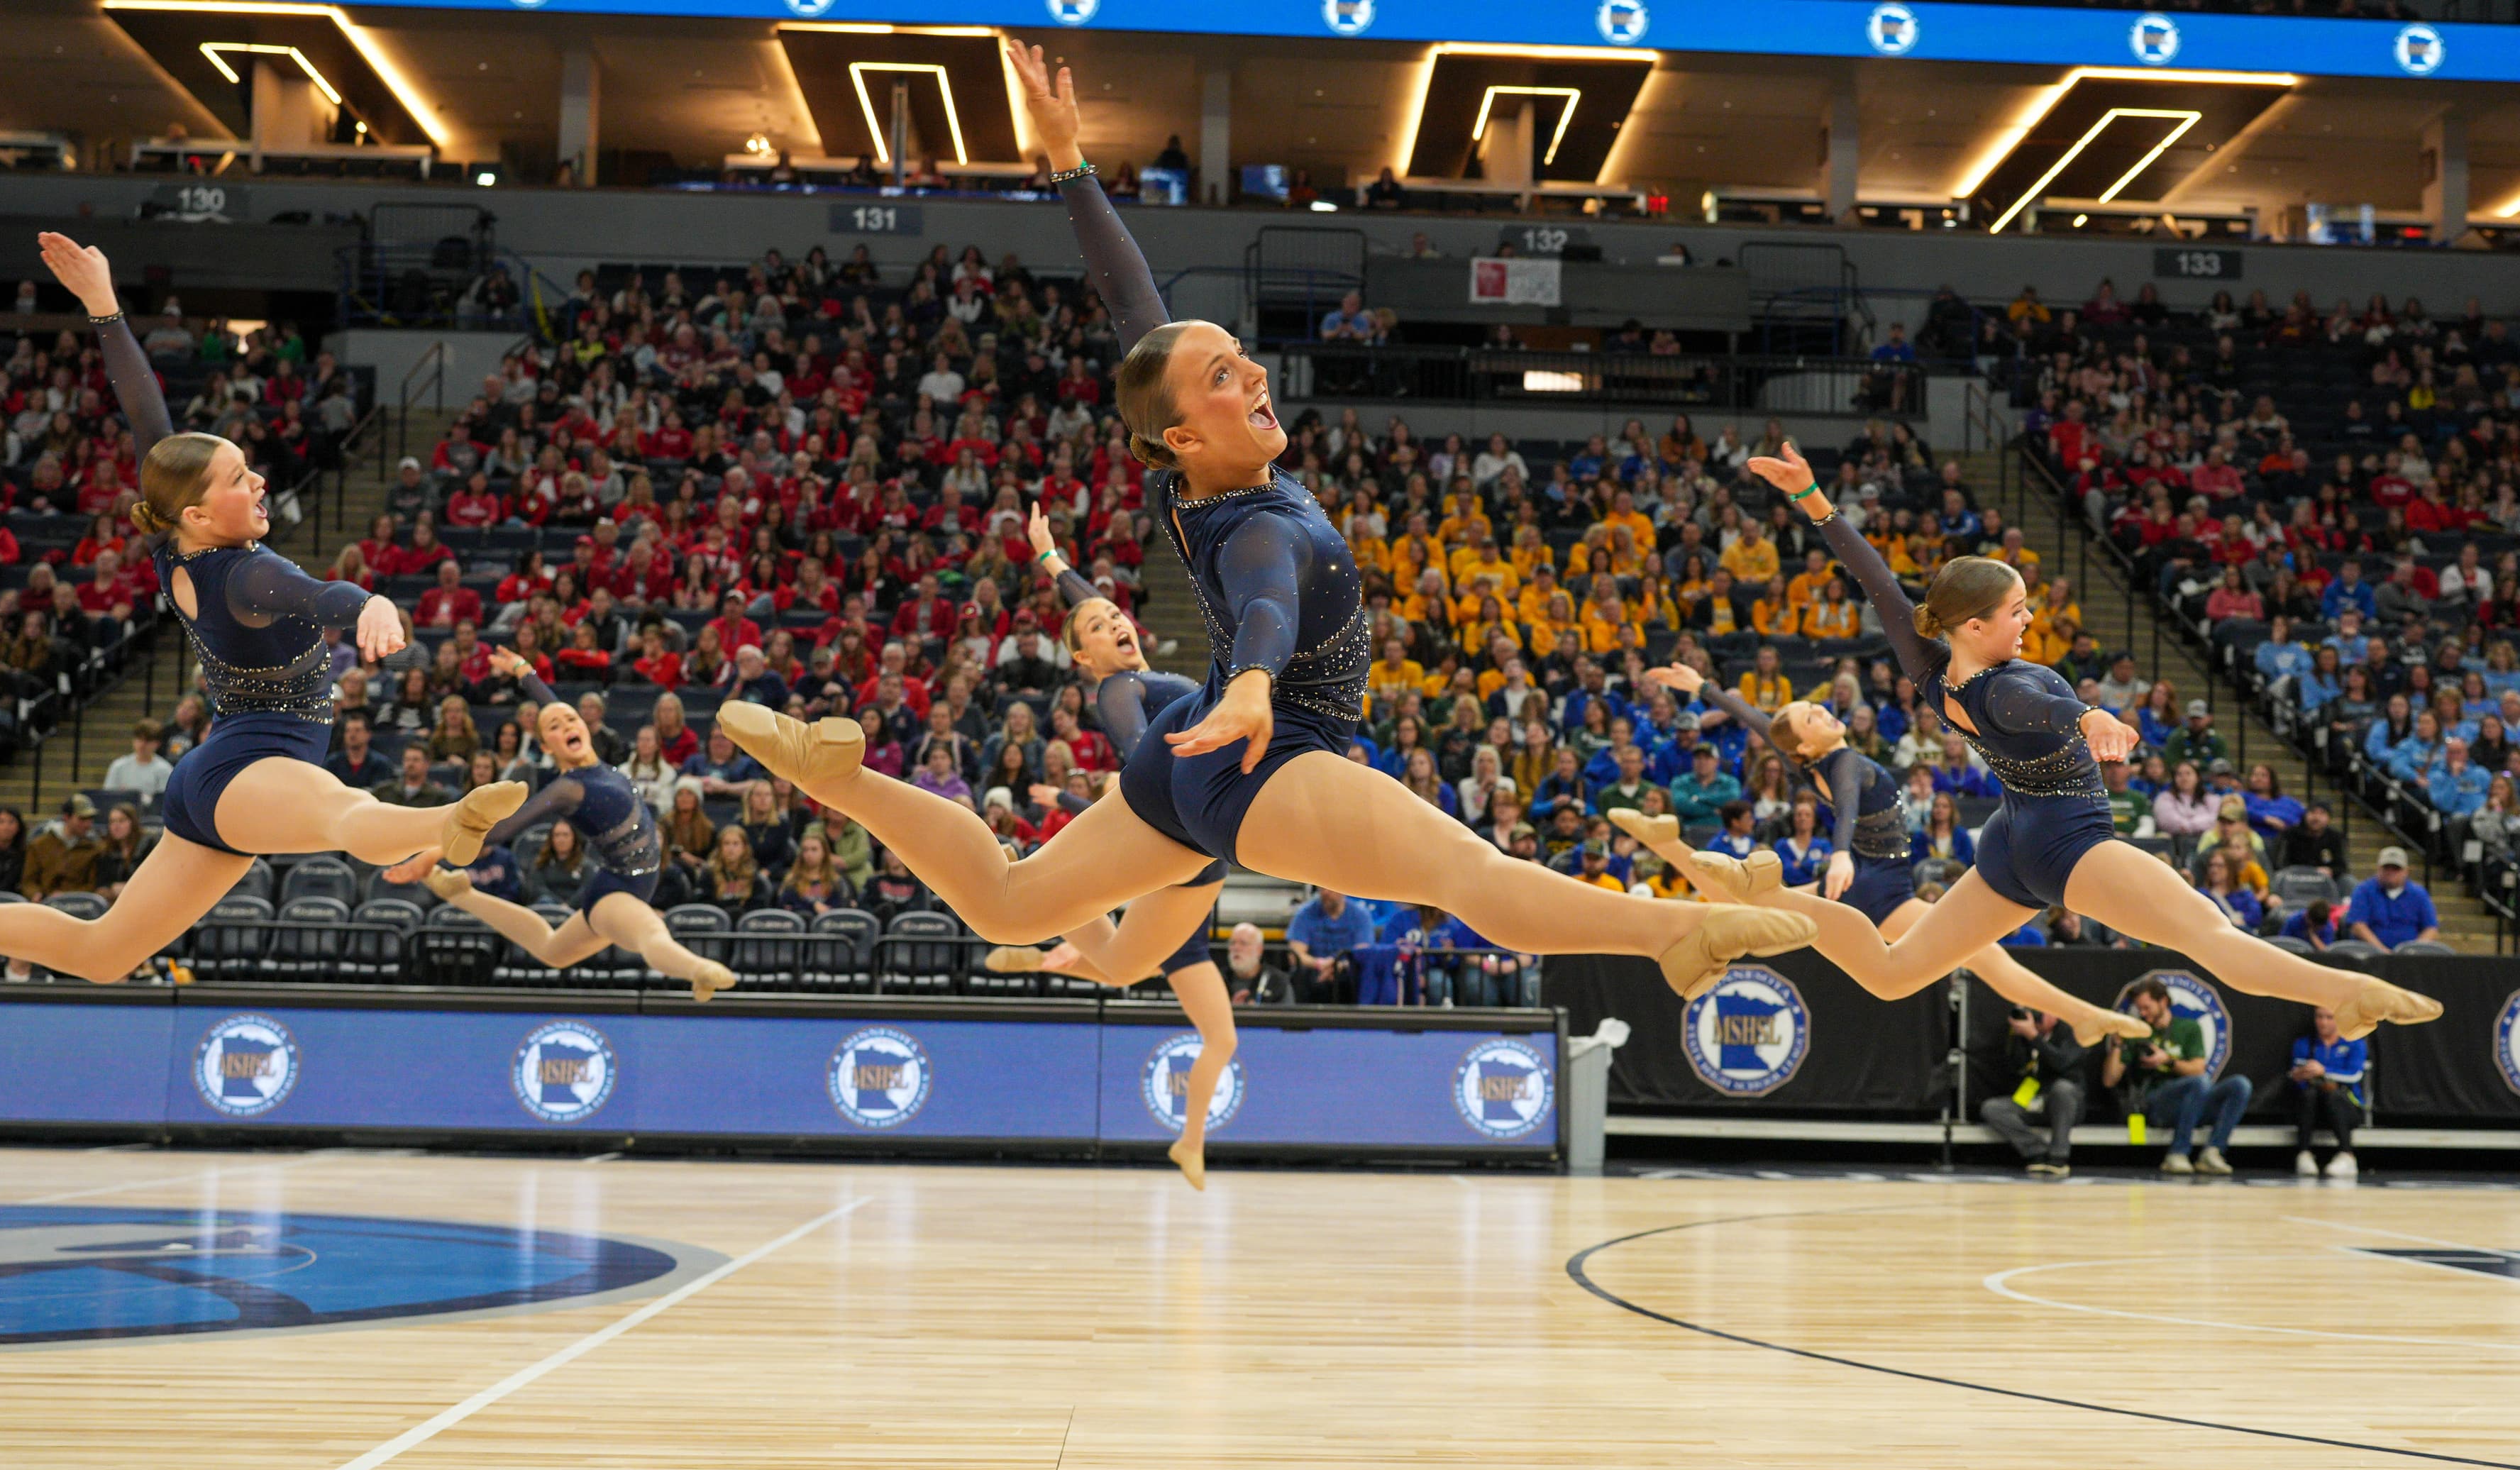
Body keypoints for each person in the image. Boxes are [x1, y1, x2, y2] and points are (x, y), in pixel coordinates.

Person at [711, 44, 1813, 1017]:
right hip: (1259, 749)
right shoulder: (1256, 524)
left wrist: (1070, 168)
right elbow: (1270, 598)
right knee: (1470, 879)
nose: (1254, 381)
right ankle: (1679, 936)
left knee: (1011, 900)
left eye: (1241, 362)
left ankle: (840, 776)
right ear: (1186, 434)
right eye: (1226, 379)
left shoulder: (1180, 476)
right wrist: (1247, 684)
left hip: (1191, 748)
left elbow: (1135, 309)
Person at [0, 233, 524, 985]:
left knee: (102, 955)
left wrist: (104, 308)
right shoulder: (245, 575)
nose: (259, 480)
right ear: (200, 512)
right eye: (239, 477)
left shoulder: (175, 536)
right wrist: (375, 600)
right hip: (256, 766)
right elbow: (322, 597)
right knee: (342, 814)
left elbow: (148, 418)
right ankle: (449, 823)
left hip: (224, 773)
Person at [1662, 441, 2439, 1041]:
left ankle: (1771, 901)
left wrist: (1813, 501)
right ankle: (2347, 991)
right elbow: (2038, 707)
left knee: (1895, 974)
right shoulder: (2002, 685)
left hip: (2012, 842)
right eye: (2017, 610)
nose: (2028, 618)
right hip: (2066, 845)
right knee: (2211, 935)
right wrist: (2090, 719)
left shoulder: (1934, 669)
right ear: (1975, 625)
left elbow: (1881, 587)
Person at [1615, 665, 2149, 1049]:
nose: (1822, 711)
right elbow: (1846, 802)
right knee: (1988, 960)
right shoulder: (1842, 761)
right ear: (1806, 746)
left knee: (1740, 909)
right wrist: (1841, 852)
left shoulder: (1807, 763)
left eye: (1816, 708)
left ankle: (1668, 846)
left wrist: (1706, 687)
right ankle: (2083, 1016)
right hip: (1878, 887)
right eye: (1811, 717)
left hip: (1860, 879)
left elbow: (1761, 723)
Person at [981, 504, 1238, 1188]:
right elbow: (1135, 750)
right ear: (1082, 657)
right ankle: (1039, 895)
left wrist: (1049, 558)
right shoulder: (1121, 687)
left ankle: (1041, 916)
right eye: (1098, 628)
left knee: (1123, 965)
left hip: (1193, 852)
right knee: (1141, 977)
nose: (1114, 622)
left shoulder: (1142, 670)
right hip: (1184, 843)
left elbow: (1091, 604)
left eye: (1116, 616)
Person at [383, 651, 738, 1001]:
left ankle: (461, 894)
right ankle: (697, 970)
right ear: (546, 746)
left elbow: (552, 706)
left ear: (583, 725)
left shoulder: (594, 758)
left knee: (553, 950)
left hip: (632, 880)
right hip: (619, 889)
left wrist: (523, 670)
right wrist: (431, 855)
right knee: (650, 934)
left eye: (571, 720)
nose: (567, 725)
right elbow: (500, 831)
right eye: (555, 728)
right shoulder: (568, 789)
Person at [2101, 978, 2252, 1176]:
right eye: (2140, 1009)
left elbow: (2198, 1069)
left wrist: (2167, 1061)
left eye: (2147, 1008)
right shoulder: (2136, 1032)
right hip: (2157, 1102)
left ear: (2163, 1001)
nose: (2143, 1014)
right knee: (2199, 1084)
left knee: (2240, 1085)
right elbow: (2109, 1080)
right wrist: (2118, 1045)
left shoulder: (2189, 1028)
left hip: (2193, 1100)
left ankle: (2213, 1152)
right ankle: (2177, 1153)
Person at [1979, 1003, 2089, 1179]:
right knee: (1992, 1108)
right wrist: (2018, 1038)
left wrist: (2034, 1036)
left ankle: (2058, 1156)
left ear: (2055, 1015)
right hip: (2034, 1100)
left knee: (2062, 1089)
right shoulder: (2022, 1036)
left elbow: (2061, 1063)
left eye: (2040, 1013)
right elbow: (2016, 1069)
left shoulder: (2074, 1033)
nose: (2035, 1020)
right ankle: (2036, 1151)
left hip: (2066, 1105)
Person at [2287, 1005, 2366, 1178]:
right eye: (2319, 1017)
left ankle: (2347, 1155)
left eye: (2329, 1017)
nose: (2323, 1022)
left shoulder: (2355, 1043)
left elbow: (2354, 1075)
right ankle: (2304, 1154)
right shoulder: (2304, 1044)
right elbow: (2295, 1075)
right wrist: (2301, 1076)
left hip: (2347, 1108)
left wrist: (2324, 1072)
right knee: (2308, 1095)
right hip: (2314, 1108)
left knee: (2333, 1095)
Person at [2342, 846, 2439, 950]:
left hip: (2410, 959)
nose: (2390, 872)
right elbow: (2357, 926)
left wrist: (2413, 951)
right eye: (2386, 868)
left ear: (2406, 871)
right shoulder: (2364, 891)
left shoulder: (2419, 894)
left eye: (2396, 869)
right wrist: (2383, 952)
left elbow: (2431, 929)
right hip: (2369, 956)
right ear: (2378, 868)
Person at [21, 794, 104, 900]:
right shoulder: (39, 845)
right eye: (82, 819)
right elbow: (28, 881)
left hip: (80, 905)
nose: (88, 824)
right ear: (66, 817)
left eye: (90, 819)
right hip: (45, 904)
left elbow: (93, 885)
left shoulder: (94, 848)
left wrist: (67, 896)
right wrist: (36, 894)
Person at [103, 718, 173, 798]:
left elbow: (163, 801)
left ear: (157, 744)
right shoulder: (118, 766)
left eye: (148, 741)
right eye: (139, 739)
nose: (142, 745)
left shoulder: (165, 769)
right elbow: (108, 797)